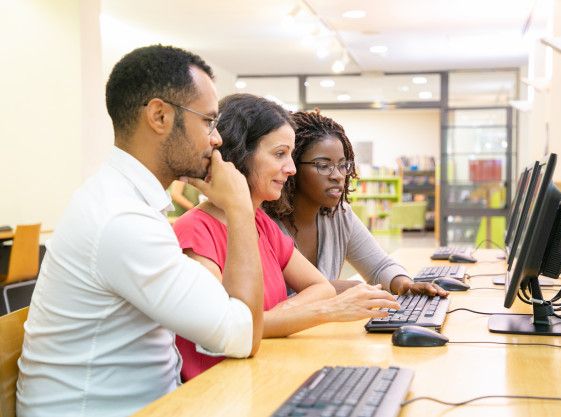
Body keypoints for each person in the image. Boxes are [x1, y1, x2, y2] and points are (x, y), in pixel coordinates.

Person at [16, 45, 264, 417]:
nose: (217, 140)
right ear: (160, 116)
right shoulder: (121, 219)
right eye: (208, 122)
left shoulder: (124, 201)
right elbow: (242, 336)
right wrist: (240, 209)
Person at [173, 93, 400, 380]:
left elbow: (321, 288)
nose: (291, 169)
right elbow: (234, 329)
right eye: (280, 154)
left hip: (265, 371)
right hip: (220, 387)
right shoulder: (194, 232)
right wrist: (326, 312)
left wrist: (272, 318)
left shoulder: (261, 223)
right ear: (240, 155)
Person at [264, 109, 448, 297]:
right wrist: (333, 290)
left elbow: (379, 266)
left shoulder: (339, 215)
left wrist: (404, 284)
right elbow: (267, 305)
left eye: (343, 165)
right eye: (323, 165)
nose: (338, 175)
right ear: (292, 166)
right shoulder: (264, 224)